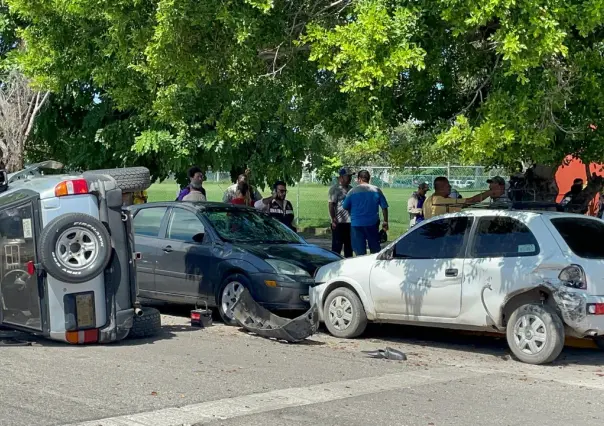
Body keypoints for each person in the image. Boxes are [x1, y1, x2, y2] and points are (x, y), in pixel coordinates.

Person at [342, 170, 389, 256]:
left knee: (359, 252)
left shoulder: (352, 191)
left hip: (357, 224)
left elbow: (345, 206)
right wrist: (385, 221)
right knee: (375, 251)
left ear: (359, 179)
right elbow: (384, 207)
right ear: (369, 179)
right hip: (372, 223)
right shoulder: (376, 190)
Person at [423, 176, 499, 220]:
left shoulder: (428, 199)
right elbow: (471, 201)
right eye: (448, 185)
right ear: (441, 188)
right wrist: (489, 192)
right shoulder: (441, 201)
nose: (450, 187)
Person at [328, 168, 353, 258]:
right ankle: (334, 263)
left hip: (349, 222)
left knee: (349, 246)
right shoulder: (335, 189)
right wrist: (333, 219)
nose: (350, 178)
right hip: (339, 222)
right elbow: (331, 205)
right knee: (337, 246)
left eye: (351, 176)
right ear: (341, 177)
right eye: (348, 176)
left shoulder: (351, 189)